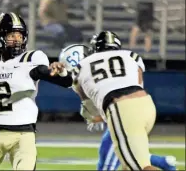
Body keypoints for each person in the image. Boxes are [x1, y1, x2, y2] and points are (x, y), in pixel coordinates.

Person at [0, 12, 72, 170]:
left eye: (19, 35)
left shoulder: (30, 60)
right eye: (11, 35)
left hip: (24, 136)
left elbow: (65, 81)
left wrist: (60, 72)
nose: (17, 40)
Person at [51, 36, 177, 170]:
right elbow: (138, 83)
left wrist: (91, 116)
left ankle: (162, 163)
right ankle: (163, 162)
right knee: (131, 161)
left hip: (122, 109)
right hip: (146, 105)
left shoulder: (82, 66)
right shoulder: (130, 56)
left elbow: (90, 108)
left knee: (133, 167)